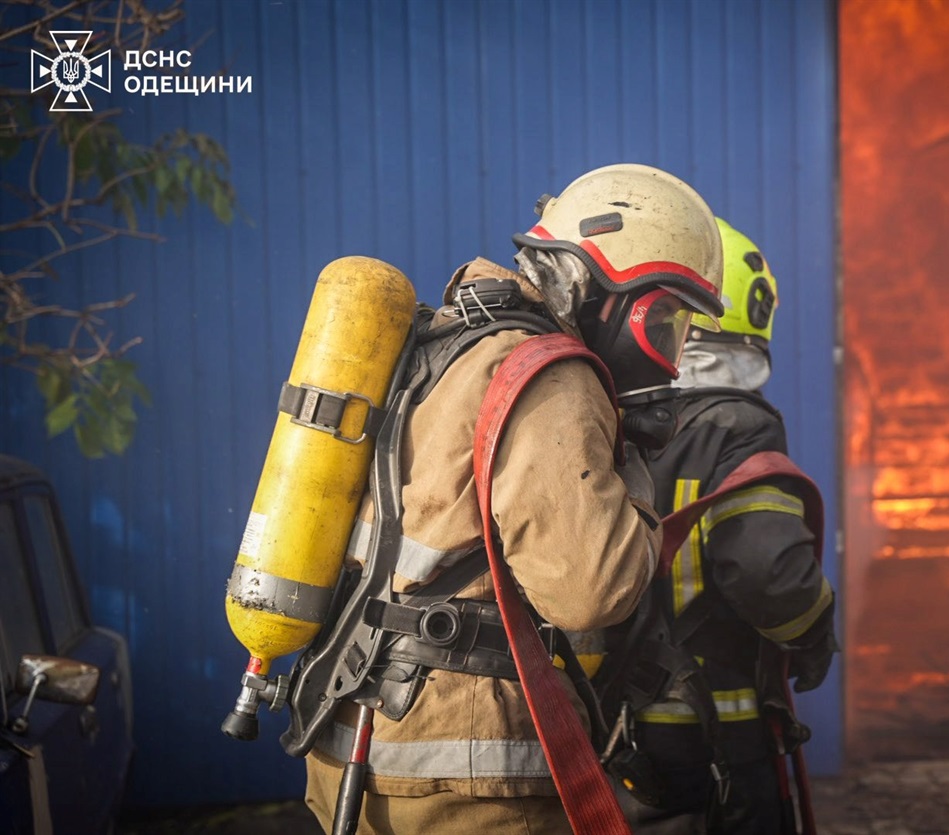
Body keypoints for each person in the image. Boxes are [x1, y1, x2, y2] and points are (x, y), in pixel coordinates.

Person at [299, 164, 725, 833]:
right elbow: (595, 587)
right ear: (600, 287)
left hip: (355, 742)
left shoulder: (447, 344)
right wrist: (638, 473)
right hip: (467, 778)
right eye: (665, 317)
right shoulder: (550, 373)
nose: (670, 354)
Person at [597, 218, 838, 834]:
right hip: (714, 737)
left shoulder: (610, 418)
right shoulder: (738, 427)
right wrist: (812, 632)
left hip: (609, 728)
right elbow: (766, 567)